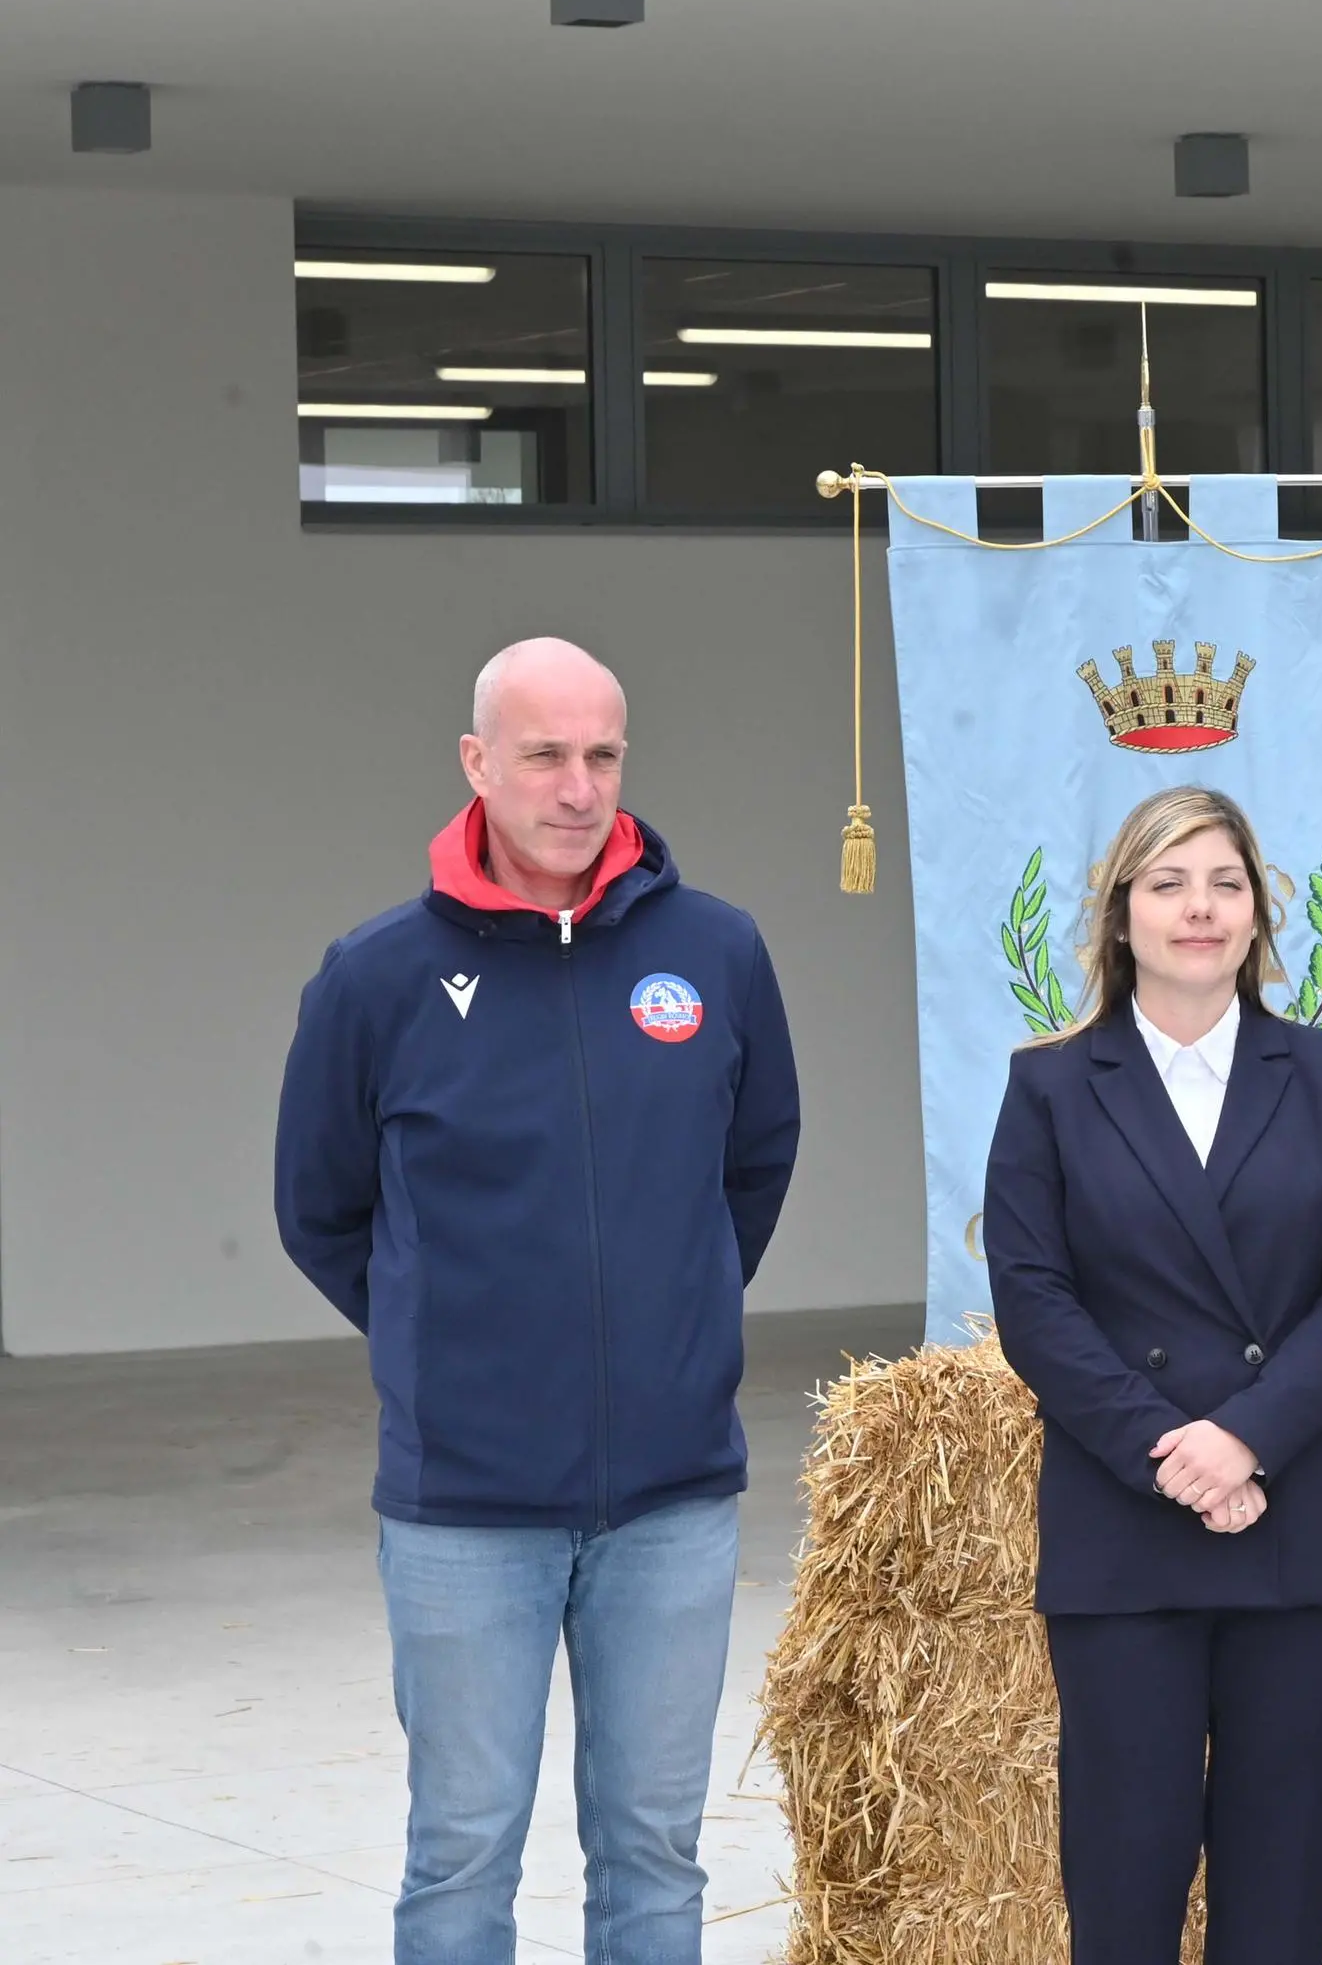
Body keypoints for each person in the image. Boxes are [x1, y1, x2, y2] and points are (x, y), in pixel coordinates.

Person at [275, 636, 801, 1965]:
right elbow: (322, 1208)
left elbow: (754, 1162)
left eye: (603, 753)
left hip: (672, 1498)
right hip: (466, 1505)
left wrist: (668, 1321)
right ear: (477, 762)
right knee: (460, 1853)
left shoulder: (718, 950)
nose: (578, 786)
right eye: (545, 754)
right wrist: (447, 1339)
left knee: (654, 1854)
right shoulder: (376, 975)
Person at [983, 785, 1322, 1965]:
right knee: (1125, 1875)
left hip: (1299, 1514)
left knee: (1278, 1892)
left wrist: (1247, 1439)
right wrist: (1174, 1453)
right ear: (1121, 917)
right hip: (1128, 1525)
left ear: (1260, 914)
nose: (1199, 909)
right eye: (1168, 884)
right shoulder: (1052, 1086)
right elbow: (1034, 1299)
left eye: (1224, 883)